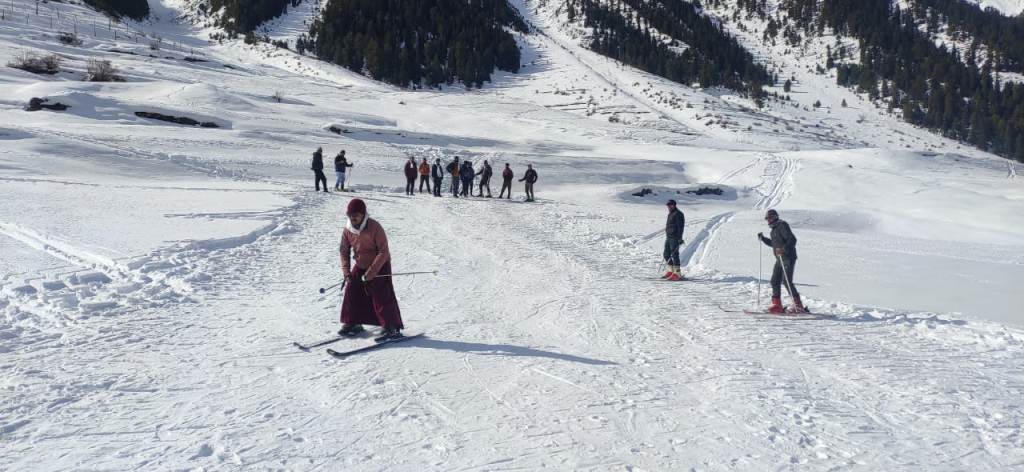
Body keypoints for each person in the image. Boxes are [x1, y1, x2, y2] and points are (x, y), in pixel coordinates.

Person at [338, 198, 405, 341]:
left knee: (381, 293)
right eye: (350, 215)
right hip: (361, 263)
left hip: (379, 264)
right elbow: (344, 250)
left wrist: (372, 272)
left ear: (363, 214)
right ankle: (353, 322)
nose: (353, 217)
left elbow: (383, 251)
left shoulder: (375, 227)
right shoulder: (348, 230)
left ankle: (391, 326)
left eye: (356, 214)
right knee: (352, 289)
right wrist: (347, 272)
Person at [758, 209, 804, 313]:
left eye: (770, 218)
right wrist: (763, 239)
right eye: (767, 219)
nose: (768, 220)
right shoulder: (773, 230)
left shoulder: (782, 225)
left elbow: (792, 239)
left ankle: (798, 306)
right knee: (774, 281)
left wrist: (784, 249)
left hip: (788, 257)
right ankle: (776, 304)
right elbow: (774, 244)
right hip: (780, 259)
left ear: (775, 217)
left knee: (786, 281)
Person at [662, 199, 686, 281]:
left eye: (670, 205)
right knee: (666, 254)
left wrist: (680, 238)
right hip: (669, 237)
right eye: (668, 205)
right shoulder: (671, 214)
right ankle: (670, 271)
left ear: (674, 205)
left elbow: (680, 227)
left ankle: (677, 274)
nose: (668, 206)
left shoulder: (678, 214)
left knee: (674, 255)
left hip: (675, 238)